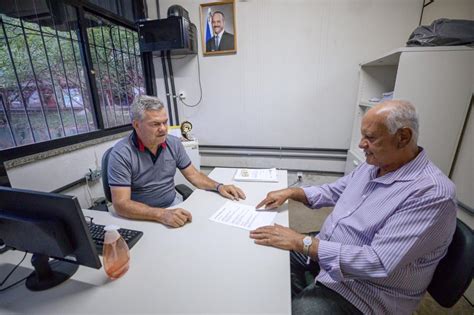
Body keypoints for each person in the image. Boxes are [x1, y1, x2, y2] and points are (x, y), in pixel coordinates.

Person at [250, 100, 457, 314]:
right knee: (268, 259)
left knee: (300, 309)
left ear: (403, 137)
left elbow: (376, 262)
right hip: (326, 253)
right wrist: (293, 192)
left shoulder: (432, 193)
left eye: (370, 137)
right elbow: (335, 190)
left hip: (365, 292)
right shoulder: (375, 165)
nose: (361, 144)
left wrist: (301, 242)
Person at [108, 95, 245, 228]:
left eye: (165, 122)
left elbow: (193, 175)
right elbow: (121, 204)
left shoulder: (173, 144)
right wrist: (160, 214)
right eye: (155, 124)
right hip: (140, 216)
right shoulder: (121, 154)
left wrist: (219, 186)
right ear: (137, 125)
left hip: (172, 205)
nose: (163, 128)